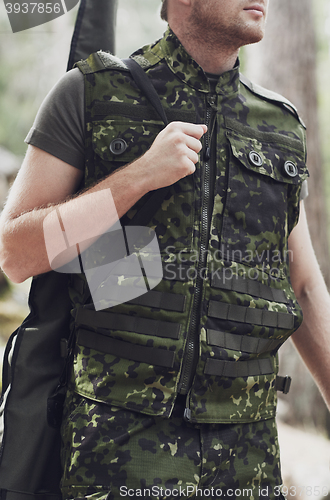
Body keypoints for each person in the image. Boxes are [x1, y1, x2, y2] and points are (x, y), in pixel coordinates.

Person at [0, 0, 330, 498]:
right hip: (115, 458)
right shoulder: (92, 94)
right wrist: (138, 177)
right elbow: (16, 253)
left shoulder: (280, 128)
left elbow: (302, 287)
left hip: (248, 463)